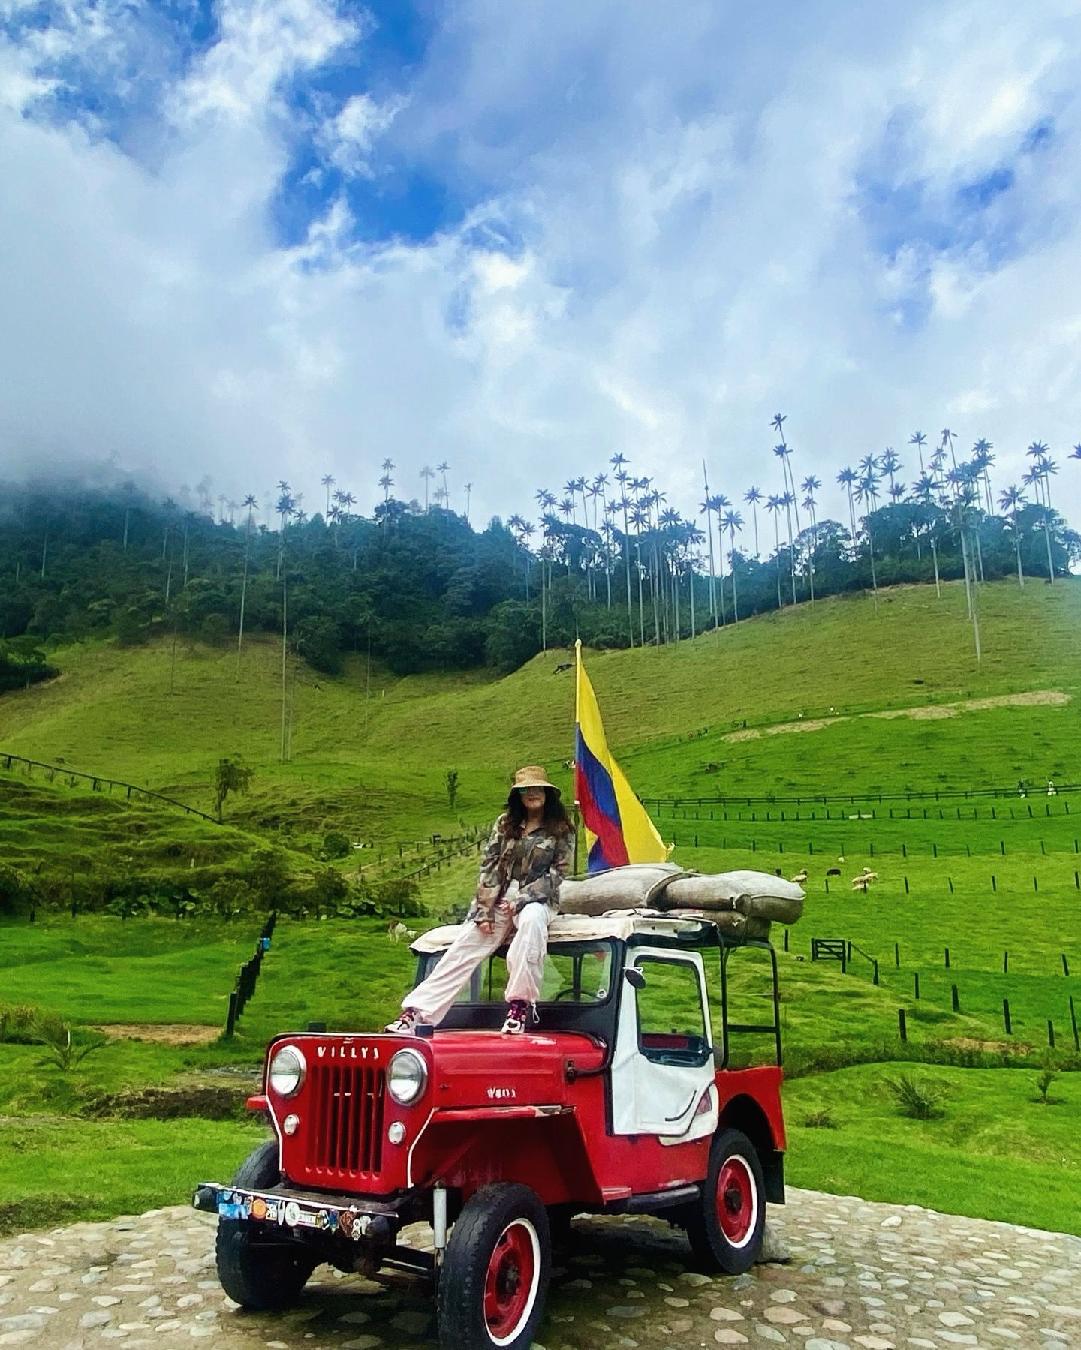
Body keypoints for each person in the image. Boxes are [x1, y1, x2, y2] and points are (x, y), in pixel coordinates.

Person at [386, 765, 574, 1036]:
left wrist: (522, 899)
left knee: (532, 926)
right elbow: (490, 866)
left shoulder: (561, 828)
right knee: (465, 944)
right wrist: (484, 909)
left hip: (539, 897)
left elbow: (559, 873)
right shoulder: (505, 824)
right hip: (499, 895)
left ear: (547, 792)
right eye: (525, 790)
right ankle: (417, 1013)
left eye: (537, 788)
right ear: (518, 796)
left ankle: (520, 1005)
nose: (532, 794)